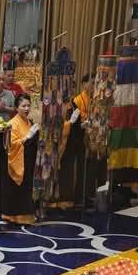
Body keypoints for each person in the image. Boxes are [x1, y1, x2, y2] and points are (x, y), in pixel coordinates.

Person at [0, 94, 39, 225]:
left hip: (28, 160)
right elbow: (11, 145)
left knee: (27, 189)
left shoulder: (29, 122)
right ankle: (13, 216)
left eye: (28, 106)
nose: (26, 108)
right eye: (23, 106)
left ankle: (27, 215)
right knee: (17, 190)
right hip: (17, 161)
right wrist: (27, 137)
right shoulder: (12, 124)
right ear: (16, 108)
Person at [53, 76, 89, 209]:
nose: (71, 91)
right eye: (68, 88)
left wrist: (82, 125)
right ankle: (60, 199)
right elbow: (55, 126)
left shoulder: (73, 104)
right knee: (62, 171)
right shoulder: (57, 104)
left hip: (73, 142)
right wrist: (69, 123)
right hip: (62, 143)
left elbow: (77, 124)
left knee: (70, 171)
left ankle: (70, 198)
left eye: (73, 88)